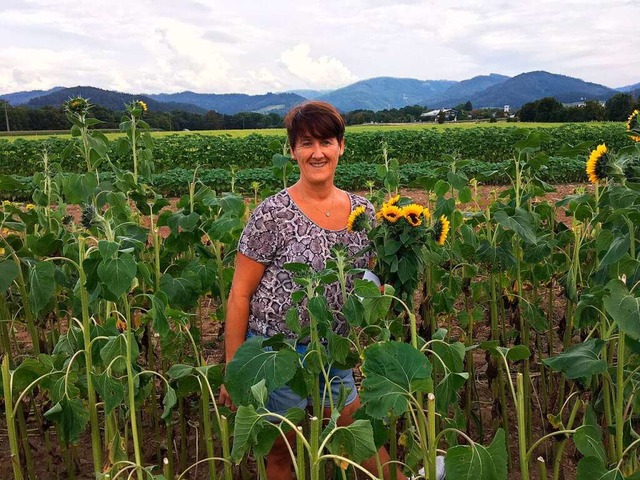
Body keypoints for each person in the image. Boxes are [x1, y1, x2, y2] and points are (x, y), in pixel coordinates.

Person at [218, 101, 430, 479]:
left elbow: (372, 284)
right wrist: (235, 369)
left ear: (341, 146)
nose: (317, 153)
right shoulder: (272, 214)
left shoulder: (363, 213)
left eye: (326, 142)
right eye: (306, 143)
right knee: (281, 452)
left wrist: (404, 251)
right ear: (293, 150)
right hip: (275, 352)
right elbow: (239, 295)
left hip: (333, 351)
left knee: (355, 434)